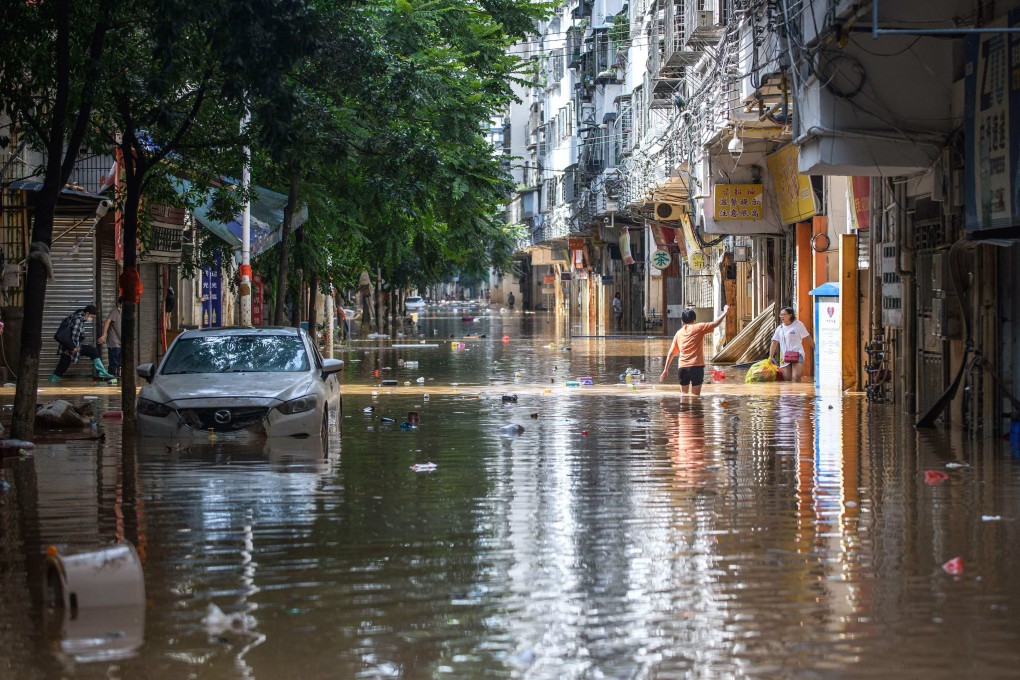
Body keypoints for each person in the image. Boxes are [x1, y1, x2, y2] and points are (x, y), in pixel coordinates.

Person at [659, 305, 730, 395]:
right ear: (695, 320)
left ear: (682, 321)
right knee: (695, 398)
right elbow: (715, 323)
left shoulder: (678, 333)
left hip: (682, 368)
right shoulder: (699, 327)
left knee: (683, 397)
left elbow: (671, 352)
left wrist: (666, 370)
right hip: (696, 367)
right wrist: (725, 313)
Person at [50, 304, 116, 382]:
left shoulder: (77, 317)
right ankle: (52, 380)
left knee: (92, 351)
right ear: (87, 313)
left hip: (70, 346)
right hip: (70, 347)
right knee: (63, 365)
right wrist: (73, 348)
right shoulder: (78, 319)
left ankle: (102, 372)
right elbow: (74, 335)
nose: (92, 318)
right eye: (92, 316)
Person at [769, 306, 814, 383]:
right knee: (787, 380)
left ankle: (796, 394)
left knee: (796, 378)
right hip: (784, 356)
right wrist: (770, 357)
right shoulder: (779, 328)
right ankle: (790, 394)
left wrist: (815, 348)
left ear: (790, 315)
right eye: (780, 315)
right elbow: (774, 342)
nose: (781, 316)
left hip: (798, 353)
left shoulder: (798, 325)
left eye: (783, 314)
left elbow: (807, 337)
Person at [97, 296, 123, 377]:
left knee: (120, 363)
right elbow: (107, 321)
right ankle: (111, 378)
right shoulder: (115, 311)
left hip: (121, 342)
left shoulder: (123, 312)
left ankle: (118, 378)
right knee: (113, 362)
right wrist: (104, 335)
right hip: (114, 342)